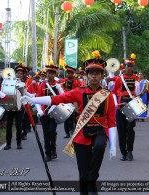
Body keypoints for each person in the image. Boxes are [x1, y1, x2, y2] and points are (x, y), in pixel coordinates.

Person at [21, 50, 116, 194]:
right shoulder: (79, 91)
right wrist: (32, 99)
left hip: (100, 130)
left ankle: (93, 179)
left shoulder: (107, 95)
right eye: (91, 73)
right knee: (83, 173)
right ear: (87, 76)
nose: (94, 76)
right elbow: (56, 99)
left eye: (97, 73)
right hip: (82, 133)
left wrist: (113, 145)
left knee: (99, 146)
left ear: (102, 75)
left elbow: (112, 122)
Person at [112, 53, 140, 161]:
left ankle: (130, 151)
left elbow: (137, 94)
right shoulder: (120, 79)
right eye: (128, 66)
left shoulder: (136, 78)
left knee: (130, 130)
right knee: (121, 130)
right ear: (125, 66)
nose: (129, 68)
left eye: (131, 66)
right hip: (120, 107)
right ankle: (123, 152)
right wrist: (115, 103)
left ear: (133, 67)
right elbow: (113, 92)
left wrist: (137, 88)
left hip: (131, 107)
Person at [35, 61, 64, 161]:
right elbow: (38, 99)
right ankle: (47, 153)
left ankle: (53, 148)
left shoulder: (58, 84)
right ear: (46, 74)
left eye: (52, 73)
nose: (50, 74)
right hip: (44, 113)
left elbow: (64, 97)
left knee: (52, 131)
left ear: (55, 74)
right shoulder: (43, 85)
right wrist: (39, 110)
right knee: (46, 133)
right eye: (49, 73)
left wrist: (60, 89)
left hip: (55, 112)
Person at [3, 64, 27, 150]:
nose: (19, 75)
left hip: (19, 107)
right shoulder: (9, 82)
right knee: (9, 125)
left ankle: (19, 143)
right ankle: (8, 143)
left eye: (21, 73)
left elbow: (24, 95)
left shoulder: (23, 84)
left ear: (23, 75)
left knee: (18, 125)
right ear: (15, 74)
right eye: (18, 73)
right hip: (10, 107)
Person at [60, 65, 81, 138]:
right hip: (66, 100)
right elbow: (61, 88)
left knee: (74, 116)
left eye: (70, 73)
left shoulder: (77, 81)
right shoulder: (63, 81)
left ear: (73, 73)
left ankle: (74, 130)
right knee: (66, 116)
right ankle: (67, 132)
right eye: (68, 73)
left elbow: (79, 90)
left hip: (74, 101)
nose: (69, 74)